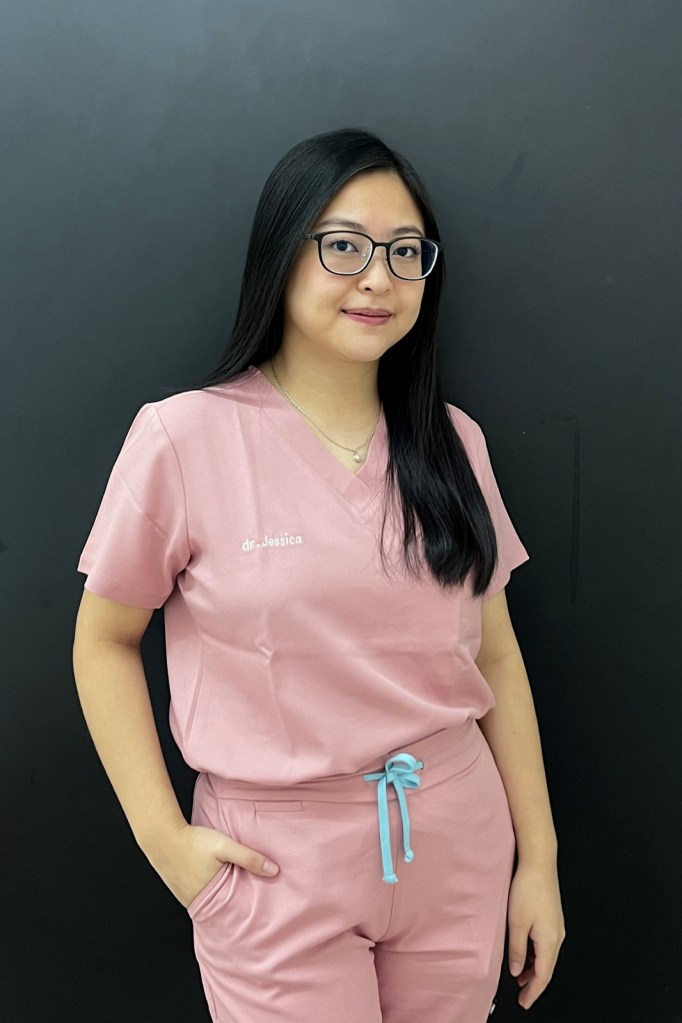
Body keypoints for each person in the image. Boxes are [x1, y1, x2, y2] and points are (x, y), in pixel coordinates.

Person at [72, 127, 565, 1023]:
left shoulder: (453, 442)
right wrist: (165, 840)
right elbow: (103, 640)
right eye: (345, 246)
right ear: (282, 252)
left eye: (406, 252)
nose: (378, 278)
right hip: (275, 866)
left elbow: (495, 656)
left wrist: (540, 859)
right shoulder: (183, 438)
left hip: (456, 841)